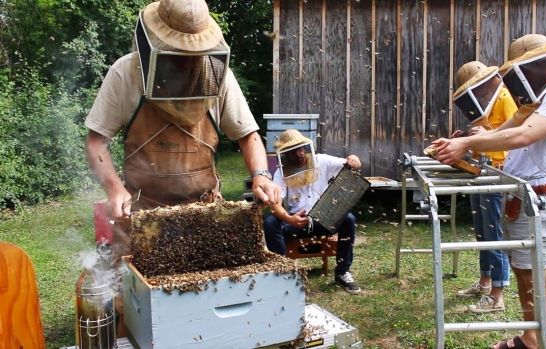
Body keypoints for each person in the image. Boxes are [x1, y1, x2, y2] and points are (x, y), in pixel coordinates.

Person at [84, 0, 281, 334]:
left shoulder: (219, 76)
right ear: (153, 45)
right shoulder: (124, 73)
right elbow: (96, 141)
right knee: (132, 313)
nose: (183, 64)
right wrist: (114, 189)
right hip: (140, 214)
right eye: (175, 55)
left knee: (205, 311)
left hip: (204, 214)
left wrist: (261, 173)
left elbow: (248, 134)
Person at [432, 34, 546, 349]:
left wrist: (469, 144)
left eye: (526, 71)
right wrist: (466, 141)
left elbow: (525, 135)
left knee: (537, 275)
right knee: (523, 271)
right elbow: (510, 126)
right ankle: (531, 338)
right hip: (522, 196)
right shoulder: (543, 97)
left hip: (538, 197)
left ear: (545, 64)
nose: (523, 79)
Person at [451, 61, 517, 313]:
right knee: (482, 230)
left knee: (493, 234)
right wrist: (467, 138)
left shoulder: (506, 98)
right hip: (481, 169)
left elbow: (516, 136)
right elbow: (486, 137)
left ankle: (497, 296)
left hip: (498, 173)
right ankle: (484, 282)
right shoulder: (488, 102)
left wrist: (486, 131)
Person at [263, 129, 362, 295]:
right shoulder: (281, 172)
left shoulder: (322, 161)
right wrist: (289, 219)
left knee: (348, 219)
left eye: (300, 147)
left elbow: (349, 162)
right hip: (297, 222)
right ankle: (282, 274)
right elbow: (276, 205)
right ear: (285, 154)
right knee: (271, 222)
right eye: (293, 150)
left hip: (323, 218)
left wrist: (354, 159)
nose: (299, 153)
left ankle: (342, 272)